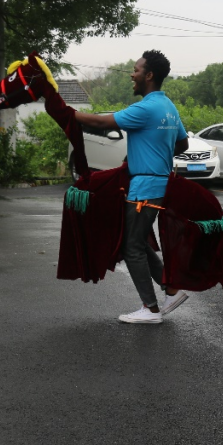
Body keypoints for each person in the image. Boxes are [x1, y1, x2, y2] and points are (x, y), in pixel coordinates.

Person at [72, 51, 189, 324]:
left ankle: (151, 309)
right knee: (137, 241)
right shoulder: (168, 107)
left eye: (135, 70)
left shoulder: (146, 108)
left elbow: (101, 122)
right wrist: (158, 152)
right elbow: (182, 144)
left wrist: (67, 113)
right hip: (157, 183)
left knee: (131, 246)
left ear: (149, 75)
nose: (131, 75)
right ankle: (171, 290)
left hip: (145, 186)